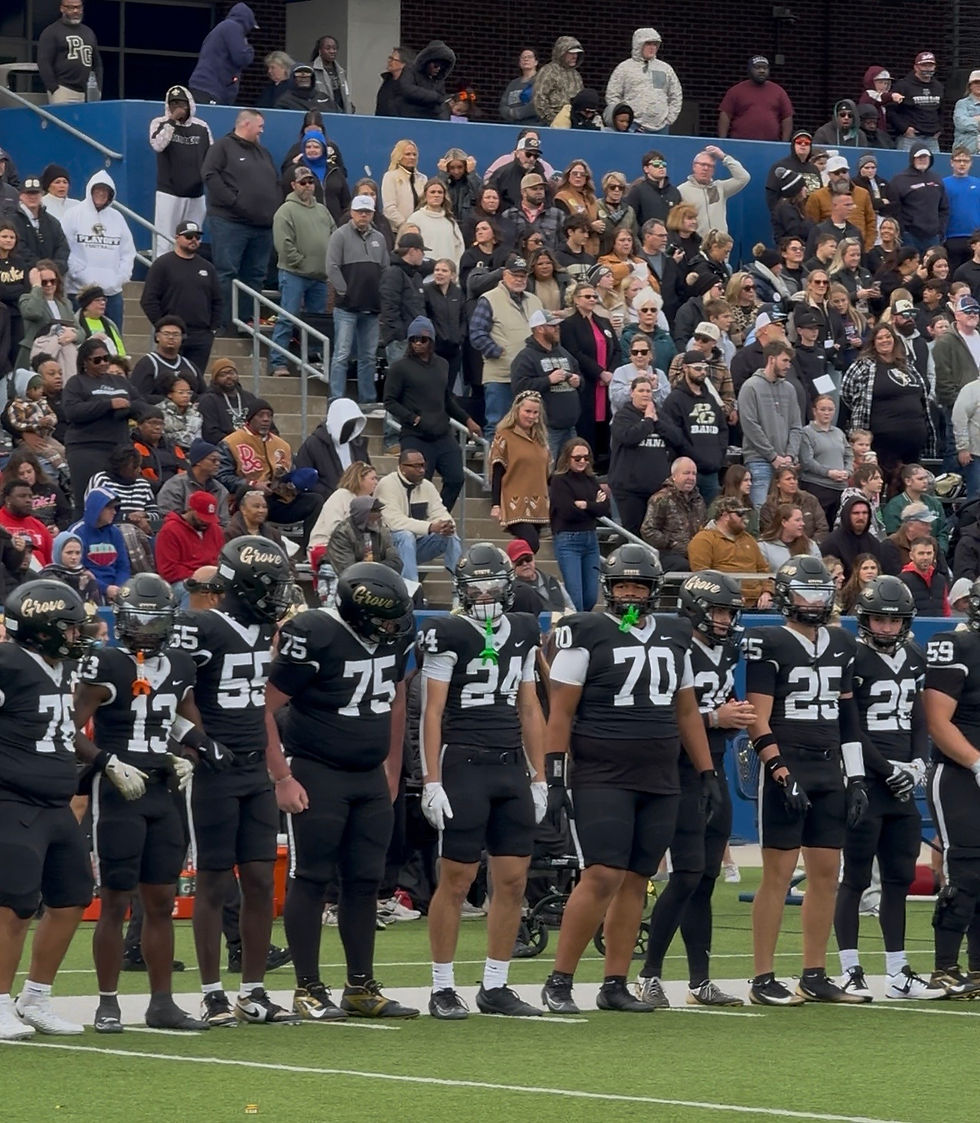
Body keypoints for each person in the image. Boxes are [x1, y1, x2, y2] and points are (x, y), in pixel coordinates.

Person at [540, 544, 719, 1015]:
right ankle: (559, 980)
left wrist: (707, 771)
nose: (631, 593)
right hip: (601, 772)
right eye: (623, 585)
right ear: (609, 588)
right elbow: (560, 711)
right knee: (601, 873)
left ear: (655, 588)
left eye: (639, 585)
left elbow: (686, 710)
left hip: (659, 774)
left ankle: (614, 982)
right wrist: (554, 774)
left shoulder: (675, 635)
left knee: (639, 877)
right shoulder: (586, 633)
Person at [264, 561, 417, 1020]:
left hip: (368, 775)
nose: (393, 628)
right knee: (311, 878)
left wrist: (392, 770)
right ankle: (308, 988)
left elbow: (395, 701)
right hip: (317, 770)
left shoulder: (394, 639)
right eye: (385, 618)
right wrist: (281, 777)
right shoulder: (314, 632)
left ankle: (360, 986)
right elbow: (263, 707)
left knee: (365, 881)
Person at [72, 575, 207, 1033]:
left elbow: (187, 726)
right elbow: (67, 729)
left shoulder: (182, 665)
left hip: (160, 790)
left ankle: (161, 1002)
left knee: (162, 899)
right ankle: (107, 1002)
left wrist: (188, 755)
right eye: (139, 617)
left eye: (155, 618)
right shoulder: (104, 662)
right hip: (116, 791)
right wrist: (107, 762)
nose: (146, 627)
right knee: (113, 900)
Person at [418, 543, 547, 1018]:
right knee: (457, 878)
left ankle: (495, 984)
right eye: (476, 584)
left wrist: (540, 775)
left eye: (493, 582)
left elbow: (530, 706)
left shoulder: (526, 629)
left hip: (511, 762)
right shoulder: (447, 631)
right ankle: (442, 985)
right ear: (462, 589)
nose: (486, 591)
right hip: (464, 762)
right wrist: (431, 779)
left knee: (513, 880)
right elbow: (432, 711)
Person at [174, 535, 296, 1027]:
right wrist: (201, 743)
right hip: (215, 768)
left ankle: (253, 989)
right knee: (214, 880)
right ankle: (211, 992)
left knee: (263, 878)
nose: (278, 594)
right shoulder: (200, 626)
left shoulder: (263, 626)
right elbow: (172, 695)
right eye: (270, 585)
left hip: (254, 769)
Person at [744, 555, 868, 1005]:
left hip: (828, 764)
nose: (813, 601)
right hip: (788, 761)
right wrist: (778, 769)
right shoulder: (768, 641)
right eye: (804, 592)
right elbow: (757, 717)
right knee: (777, 873)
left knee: (826, 874)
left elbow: (848, 716)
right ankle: (762, 977)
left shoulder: (842, 642)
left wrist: (855, 777)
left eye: (820, 592)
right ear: (784, 595)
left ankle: (814, 973)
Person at [635, 572, 752, 1008]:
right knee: (685, 875)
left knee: (705, 879)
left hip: (714, 768)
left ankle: (700, 979)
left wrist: (735, 714)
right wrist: (713, 719)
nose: (725, 619)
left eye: (728, 611)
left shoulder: (725, 650)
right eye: (718, 610)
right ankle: (649, 974)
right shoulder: (673, 647)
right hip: (679, 771)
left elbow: (725, 702)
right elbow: (662, 715)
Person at [0, 581, 95, 1041]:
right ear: (41, 629)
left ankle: (35, 998)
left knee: (72, 896)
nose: (77, 636)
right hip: (12, 799)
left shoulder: (59, 665)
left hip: (55, 801)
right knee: (14, 906)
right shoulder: (7, 664)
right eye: (69, 628)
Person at [922, 580, 980, 995]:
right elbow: (937, 720)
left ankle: (978, 969)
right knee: (967, 869)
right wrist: (976, 762)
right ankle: (944, 966)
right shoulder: (956, 645)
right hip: (958, 772)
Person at [383, 316, 480, 512]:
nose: (418, 343)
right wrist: (412, 418)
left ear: (432, 341)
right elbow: (389, 401)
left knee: (456, 478)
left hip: (442, 434)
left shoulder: (442, 365)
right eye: (413, 339)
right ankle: (419, 524)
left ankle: (437, 517)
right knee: (418, 483)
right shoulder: (400, 368)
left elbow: (446, 399)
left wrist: (468, 420)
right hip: (415, 436)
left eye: (423, 339)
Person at [201, 110, 278, 334]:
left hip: (262, 226)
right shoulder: (222, 147)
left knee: (254, 276)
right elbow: (209, 174)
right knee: (227, 273)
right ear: (246, 123)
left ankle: (246, 320)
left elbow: (273, 181)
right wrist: (233, 201)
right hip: (230, 222)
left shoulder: (263, 153)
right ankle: (225, 324)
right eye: (260, 126)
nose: (262, 130)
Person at [217, 400, 323, 547]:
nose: (266, 419)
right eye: (261, 415)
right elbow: (222, 476)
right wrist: (252, 485)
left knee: (315, 500)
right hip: (245, 499)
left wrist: (291, 485)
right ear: (250, 418)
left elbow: (290, 472)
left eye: (269, 415)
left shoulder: (282, 445)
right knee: (254, 500)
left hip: (277, 500)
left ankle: (309, 550)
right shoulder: (231, 442)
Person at [841, 324, 935, 479]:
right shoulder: (863, 365)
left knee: (909, 487)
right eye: (879, 338)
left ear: (894, 339)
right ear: (873, 342)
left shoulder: (907, 365)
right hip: (882, 441)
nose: (884, 340)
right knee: (880, 484)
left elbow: (922, 395)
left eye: (888, 337)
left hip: (913, 438)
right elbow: (846, 392)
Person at [270, 166, 334, 378]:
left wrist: (328, 264)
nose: (307, 186)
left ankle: (313, 364)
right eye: (303, 182)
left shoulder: (323, 210)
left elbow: (334, 236)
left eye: (311, 182)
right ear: (293, 185)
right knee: (288, 318)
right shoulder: (285, 211)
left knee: (316, 324)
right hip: (293, 274)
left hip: (320, 278)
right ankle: (278, 362)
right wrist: (301, 262)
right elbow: (283, 244)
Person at [62, 338, 138, 515]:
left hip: (119, 448)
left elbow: (138, 402)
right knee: (89, 502)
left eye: (106, 358)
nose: (103, 363)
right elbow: (72, 412)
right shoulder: (76, 382)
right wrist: (109, 404)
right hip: (87, 448)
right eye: (97, 360)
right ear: (85, 362)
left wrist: (132, 410)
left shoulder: (120, 382)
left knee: (118, 504)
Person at [326, 194, 388, 408]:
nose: (363, 215)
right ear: (351, 212)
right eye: (360, 211)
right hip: (347, 308)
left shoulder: (380, 238)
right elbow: (331, 267)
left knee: (368, 357)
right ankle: (336, 398)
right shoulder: (340, 235)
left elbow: (385, 269)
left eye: (368, 212)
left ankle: (367, 400)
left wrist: (380, 296)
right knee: (342, 354)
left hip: (371, 307)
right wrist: (344, 291)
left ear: (372, 214)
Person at [140, 227, 221, 377]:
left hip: (201, 334)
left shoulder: (207, 267)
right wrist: (163, 326)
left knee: (195, 379)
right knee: (168, 379)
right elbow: (148, 299)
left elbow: (217, 300)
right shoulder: (162, 264)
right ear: (177, 237)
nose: (194, 240)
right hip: (172, 334)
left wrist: (212, 328)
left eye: (197, 237)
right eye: (189, 236)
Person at [61, 172, 134, 330]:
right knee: (80, 338)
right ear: (90, 191)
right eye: (97, 190)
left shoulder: (118, 218)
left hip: (111, 293)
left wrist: (119, 278)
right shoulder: (73, 215)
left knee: (113, 338)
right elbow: (64, 249)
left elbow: (128, 252)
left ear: (111, 194)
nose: (101, 194)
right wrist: (78, 274)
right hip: (79, 292)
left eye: (105, 191)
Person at [374, 450, 461, 582]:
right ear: (402, 467)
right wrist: (431, 526)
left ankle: (460, 583)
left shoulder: (427, 486)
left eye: (423, 465)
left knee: (450, 534)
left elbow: (440, 512)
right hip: (390, 547)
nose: (421, 470)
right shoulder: (387, 484)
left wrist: (446, 525)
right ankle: (411, 590)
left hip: (418, 545)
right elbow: (394, 522)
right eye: (416, 466)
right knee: (405, 535)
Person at [737, 340, 804, 508]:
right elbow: (750, 426)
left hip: (786, 462)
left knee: (787, 511)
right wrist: (773, 456)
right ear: (771, 359)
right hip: (759, 460)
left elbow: (796, 426)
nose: (788, 366)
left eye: (790, 361)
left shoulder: (789, 388)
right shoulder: (750, 387)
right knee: (760, 510)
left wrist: (790, 455)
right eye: (785, 361)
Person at [149, 87, 212, 261]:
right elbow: (157, 145)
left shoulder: (202, 127)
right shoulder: (159, 123)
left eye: (182, 103)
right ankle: (161, 274)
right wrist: (171, 122)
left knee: (192, 238)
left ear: (189, 104)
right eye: (173, 103)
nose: (178, 107)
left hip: (196, 194)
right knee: (165, 239)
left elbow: (211, 156)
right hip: (169, 192)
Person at [509, 308, 581, 461]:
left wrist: (578, 380)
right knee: (545, 471)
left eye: (557, 326)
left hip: (570, 426)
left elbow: (579, 375)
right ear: (539, 329)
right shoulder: (525, 357)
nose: (557, 329)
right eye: (552, 326)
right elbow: (519, 388)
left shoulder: (563, 352)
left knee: (569, 472)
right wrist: (548, 380)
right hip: (546, 428)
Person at [548, 438, 611, 612]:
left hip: (591, 540)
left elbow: (604, 508)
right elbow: (567, 512)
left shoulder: (591, 480)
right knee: (575, 597)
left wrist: (585, 505)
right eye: (577, 458)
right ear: (567, 458)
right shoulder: (559, 481)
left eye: (586, 457)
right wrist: (593, 505)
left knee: (591, 596)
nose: (582, 461)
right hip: (568, 540)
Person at [661, 350, 728, 504]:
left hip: (711, 471)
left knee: (710, 520)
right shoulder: (675, 399)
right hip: (686, 472)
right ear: (685, 368)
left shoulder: (711, 399)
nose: (702, 372)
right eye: (697, 368)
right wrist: (691, 458)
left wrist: (719, 456)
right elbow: (674, 435)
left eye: (705, 369)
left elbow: (723, 429)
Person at [489, 390, 551, 554]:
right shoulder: (504, 435)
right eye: (527, 411)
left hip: (538, 502)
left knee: (527, 548)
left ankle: (517, 575)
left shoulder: (541, 439)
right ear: (517, 410)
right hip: (515, 502)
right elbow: (497, 470)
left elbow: (547, 473)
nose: (531, 416)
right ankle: (509, 566)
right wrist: (495, 504)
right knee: (531, 543)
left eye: (535, 412)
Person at [688, 497, 774, 609]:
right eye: (740, 514)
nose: (745, 518)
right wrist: (731, 597)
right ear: (725, 516)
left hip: (757, 603)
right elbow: (703, 575)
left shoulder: (749, 539)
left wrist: (767, 592)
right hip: (721, 604)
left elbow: (764, 570)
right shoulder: (703, 539)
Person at [604, 29, 682, 135]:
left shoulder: (666, 69)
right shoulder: (624, 68)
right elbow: (612, 94)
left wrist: (669, 119)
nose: (652, 48)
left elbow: (676, 95)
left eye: (655, 44)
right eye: (648, 44)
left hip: (661, 127)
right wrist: (622, 117)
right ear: (638, 45)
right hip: (632, 125)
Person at [640, 456, 705, 573]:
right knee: (686, 566)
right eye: (686, 473)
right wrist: (672, 544)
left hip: (696, 552)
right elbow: (648, 530)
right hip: (668, 553)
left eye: (694, 474)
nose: (691, 478)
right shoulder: (660, 498)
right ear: (674, 476)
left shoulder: (699, 500)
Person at [187, 2, 257, 106]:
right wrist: (249, 49)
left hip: (202, 87)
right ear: (248, 22)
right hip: (210, 89)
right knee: (212, 120)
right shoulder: (233, 27)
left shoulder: (222, 29)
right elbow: (241, 57)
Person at [799, 395, 853, 524]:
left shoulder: (839, 433)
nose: (827, 413)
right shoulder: (807, 432)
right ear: (814, 411)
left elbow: (849, 454)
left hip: (841, 488)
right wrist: (829, 473)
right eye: (823, 409)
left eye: (830, 409)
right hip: (817, 487)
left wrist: (848, 471)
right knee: (817, 525)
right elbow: (807, 461)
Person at [37, 0, 101, 104]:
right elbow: (44, 62)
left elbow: (97, 64)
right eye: (71, 7)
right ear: (62, 8)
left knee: (85, 120)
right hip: (63, 90)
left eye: (78, 7)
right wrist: (54, 88)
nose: (75, 11)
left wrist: (98, 88)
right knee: (61, 120)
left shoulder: (89, 32)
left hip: (86, 92)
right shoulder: (51, 31)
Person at [677, 147, 750, 238]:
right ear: (694, 166)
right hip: (696, 244)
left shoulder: (720, 187)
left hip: (720, 244)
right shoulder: (682, 190)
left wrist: (723, 157)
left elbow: (744, 178)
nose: (706, 168)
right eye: (702, 164)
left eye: (710, 166)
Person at [718, 56, 794, 142]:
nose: (762, 71)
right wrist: (722, 141)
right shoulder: (736, 90)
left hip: (770, 144)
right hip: (740, 143)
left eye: (765, 68)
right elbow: (726, 115)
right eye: (757, 67)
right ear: (750, 70)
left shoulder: (779, 91)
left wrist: (784, 144)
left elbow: (787, 117)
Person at [888, 148, 949, 254]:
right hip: (909, 236)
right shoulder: (899, 180)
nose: (922, 160)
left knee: (933, 268)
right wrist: (903, 231)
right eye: (919, 157)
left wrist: (940, 231)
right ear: (912, 159)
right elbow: (894, 209)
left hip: (933, 237)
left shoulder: (937, 179)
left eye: (925, 157)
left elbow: (944, 208)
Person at [325, 495, 400, 578]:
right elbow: (347, 570)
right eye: (375, 511)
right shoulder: (342, 533)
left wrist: (373, 569)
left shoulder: (382, 530)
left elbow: (396, 562)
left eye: (380, 511)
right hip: (347, 582)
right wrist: (379, 568)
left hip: (377, 578)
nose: (380, 515)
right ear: (363, 513)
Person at [157, 438, 229, 524]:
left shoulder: (220, 490)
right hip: (181, 532)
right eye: (213, 460)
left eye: (219, 461)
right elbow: (167, 516)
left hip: (211, 534)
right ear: (198, 461)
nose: (218, 464)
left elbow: (224, 522)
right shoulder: (175, 485)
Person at [11, 179, 69, 277]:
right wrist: (40, 268)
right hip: (23, 280)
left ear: (42, 194)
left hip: (52, 280)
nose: (32, 197)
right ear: (21, 196)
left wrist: (54, 269)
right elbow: (18, 249)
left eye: (36, 193)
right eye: (28, 193)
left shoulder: (52, 222)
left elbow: (62, 248)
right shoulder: (12, 221)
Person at [889, 51, 943, 153]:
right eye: (924, 65)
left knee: (934, 167)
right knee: (905, 166)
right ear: (916, 67)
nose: (927, 68)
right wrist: (904, 129)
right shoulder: (903, 85)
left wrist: (939, 129)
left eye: (930, 65)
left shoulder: (938, 86)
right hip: (910, 139)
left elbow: (941, 111)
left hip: (932, 139)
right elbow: (891, 111)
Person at [759, 466, 828, 542]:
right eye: (788, 479)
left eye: (794, 479)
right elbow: (769, 532)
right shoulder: (769, 506)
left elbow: (822, 528)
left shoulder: (809, 500)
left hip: (809, 546)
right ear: (778, 483)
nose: (793, 482)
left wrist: (810, 545)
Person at [407, 181, 465, 268]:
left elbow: (459, 249)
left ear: (444, 196)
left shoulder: (450, 222)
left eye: (440, 192)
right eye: (432, 192)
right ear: (425, 195)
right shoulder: (415, 219)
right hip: (423, 273)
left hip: (447, 273)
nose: (436, 195)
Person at [506, 538, 574, 612]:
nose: (525, 564)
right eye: (519, 562)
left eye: (528, 559)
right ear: (512, 565)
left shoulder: (552, 580)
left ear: (534, 558)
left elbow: (571, 607)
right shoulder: (513, 590)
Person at [532, 36, 584, 126]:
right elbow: (539, 98)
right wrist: (553, 120)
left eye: (576, 53)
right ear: (562, 53)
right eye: (571, 53)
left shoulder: (576, 75)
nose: (575, 56)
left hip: (573, 123)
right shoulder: (548, 71)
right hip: (552, 123)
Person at [399, 40, 456, 120]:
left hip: (430, 120)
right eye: (436, 65)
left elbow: (441, 103)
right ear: (427, 61)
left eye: (442, 66)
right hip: (410, 118)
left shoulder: (438, 80)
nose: (438, 69)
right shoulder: (410, 70)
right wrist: (436, 97)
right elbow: (407, 89)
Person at [310, 34, 353, 114]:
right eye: (328, 48)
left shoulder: (341, 71)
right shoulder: (312, 70)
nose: (332, 51)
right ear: (320, 51)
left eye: (334, 48)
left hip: (341, 114)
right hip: (321, 114)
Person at [499, 48, 542, 126]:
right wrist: (509, 113)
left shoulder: (541, 81)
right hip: (513, 125)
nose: (526, 59)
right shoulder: (513, 83)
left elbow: (538, 104)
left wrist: (516, 113)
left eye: (529, 57)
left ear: (536, 62)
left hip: (533, 125)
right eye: (523, 57)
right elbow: (503, 105)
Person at [376, 45, 413, 117]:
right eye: (390, 58)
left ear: (403, 64)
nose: (389, 61)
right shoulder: (387, 81)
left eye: (393, 59)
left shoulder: (409, 84)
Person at [953, 71, 980, 154]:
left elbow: (968, 123)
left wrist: (975, 120)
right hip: (965, 153)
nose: (979, 85)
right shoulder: (962, 104)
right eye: (976, 82)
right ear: (970, 86)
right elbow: (962, 124)